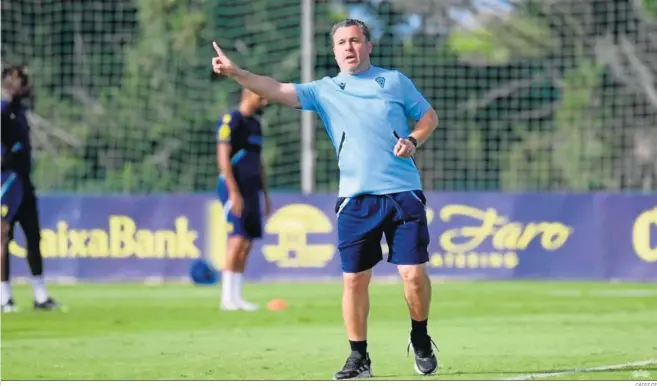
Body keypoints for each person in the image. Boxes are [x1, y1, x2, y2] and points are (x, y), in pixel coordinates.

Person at [211, 18, 440, 378]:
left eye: (354, 41)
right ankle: (359, 357)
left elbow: (428, 117)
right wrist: (237, 72)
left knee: (412, 275)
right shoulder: (324, 90)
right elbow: (273, 88)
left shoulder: (394, 81)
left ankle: (420, 337)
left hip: (402, 194)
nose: (348, 48)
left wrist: (413, 139)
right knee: (353, 281)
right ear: (334, 51)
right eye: (341, 43)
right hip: (355, 200)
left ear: (368, 46)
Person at [1, 65, 60, 312]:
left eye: (22, 80)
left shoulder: (20, 110)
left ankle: (40, 294)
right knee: (3, 236)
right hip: (5, 182)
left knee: (34, 237)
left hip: (24, 183)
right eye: (14, 79)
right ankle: (5, 297)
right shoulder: (2, 109)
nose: (19, 84)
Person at [215, 88, 271, 311]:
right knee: (236, 240)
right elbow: (223, 158)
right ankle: (226, 298)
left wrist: (265, 194)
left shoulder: (256, 125)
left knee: (247, 243)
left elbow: (259, 163)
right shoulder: (232, 121)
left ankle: (237, 296)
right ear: (248, 94)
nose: (265, 101)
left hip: (252, 190)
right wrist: (233, 191)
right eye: (261, 96)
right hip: (234, 189)